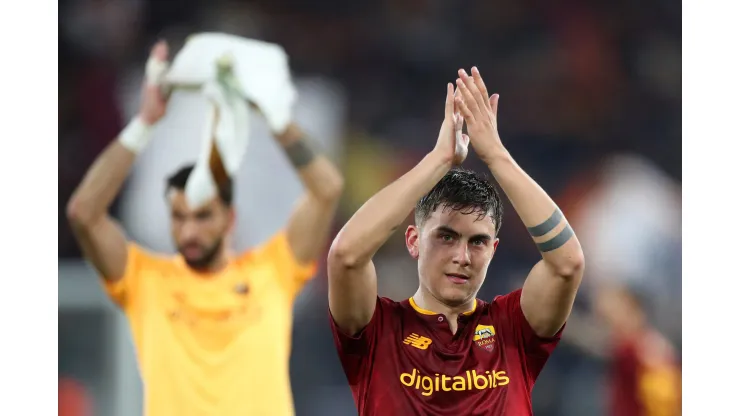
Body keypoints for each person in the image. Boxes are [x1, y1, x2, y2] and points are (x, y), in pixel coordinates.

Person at [66, 41, 344, 416]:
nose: (189, 230)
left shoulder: (272, 271)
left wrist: (278, 122)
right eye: (178, 217)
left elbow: (327, 189)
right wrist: (144, 123)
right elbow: (84, 212)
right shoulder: (146, 280)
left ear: (230, 219)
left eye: (202, 216)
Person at [327, 67, 585, 415]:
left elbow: (567, 264)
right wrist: (438, 160)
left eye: (477, 242)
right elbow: (346, 256)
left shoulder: (512, 330)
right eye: (446, 237)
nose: (462, 256)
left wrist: (496, 155)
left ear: (493, 250)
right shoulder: (378, 330)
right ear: (414, 241)